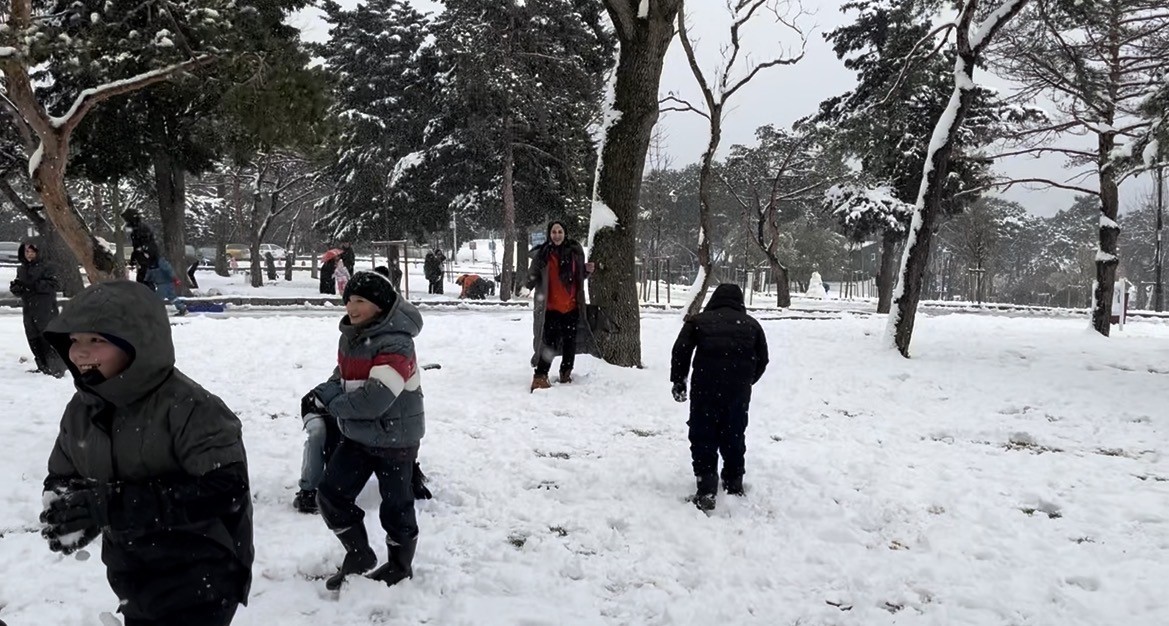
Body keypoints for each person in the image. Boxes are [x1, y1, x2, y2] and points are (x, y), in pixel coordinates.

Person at [38, 280, 253, 625]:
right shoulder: (82, 410)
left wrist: (113, 505)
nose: (79, 353)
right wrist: (67, 510)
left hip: (202, 573)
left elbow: (225, 490)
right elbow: (64, 474)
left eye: (97, 340)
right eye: (75, 340)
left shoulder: (192, 407)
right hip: (130, 573)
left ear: (138, 344)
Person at [308, 269, 426, 590]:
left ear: (380, 304)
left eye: (360, 301)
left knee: (396, 508)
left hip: (396, 438)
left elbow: (375, 400)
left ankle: (400, 567)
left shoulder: (397, 343)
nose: (352, 307)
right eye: (348, 299)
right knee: (331, 495)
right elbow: (343, 376)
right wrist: (325, 390)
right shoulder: (353, 336)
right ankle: (359, 554)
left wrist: (332, 404)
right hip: (359, 436)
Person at [670, 284, 769, 512]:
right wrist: (746, 381)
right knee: (734, 433)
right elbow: (763, 359)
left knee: (703, 434)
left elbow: (681, 350)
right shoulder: (752, 325)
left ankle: (706, 486)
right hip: (737, 392)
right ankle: (734, 482)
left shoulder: (698, 322)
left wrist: (679, 380)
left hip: (705, 388)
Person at [524, 221, 594, 391]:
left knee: (570, 343)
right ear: (549, 234)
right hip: (551, 308)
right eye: (554, 232)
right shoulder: (543, 254)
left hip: (571, 306)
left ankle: (565, 374)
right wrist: (526, 286)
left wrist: (586, 271)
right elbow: (533, 274)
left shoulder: (574, 252)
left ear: (565, 233)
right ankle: (540, 376)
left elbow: (577, 276)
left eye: (560, 232)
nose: (557, 235)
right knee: (550, 343)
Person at [9, 241, 65, 376]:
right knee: (33, 337)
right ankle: (42, 366)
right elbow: (21, 285)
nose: (29, 254)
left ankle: (56, 368)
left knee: (47, 337)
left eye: (32, 252)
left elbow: (55, 284)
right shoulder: (22, 269)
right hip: (28, 309)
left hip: (45, 308)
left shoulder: (48, 266)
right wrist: (16, 288)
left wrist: (34, 286)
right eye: (26, 252)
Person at [121, 209, 160, 287]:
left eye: (126, 220)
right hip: (144, 259)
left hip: (148, 259)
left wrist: (142, 253)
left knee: (145, 281)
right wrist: (133, 259)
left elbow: (144, 246)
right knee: (142, 280)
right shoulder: (135, 230)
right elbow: (136, 247)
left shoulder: (142, 229)